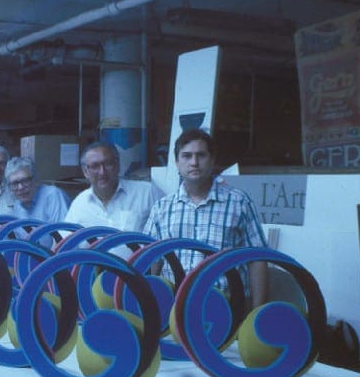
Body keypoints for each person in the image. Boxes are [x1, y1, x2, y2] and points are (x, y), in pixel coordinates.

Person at [143, 128, 269, 307]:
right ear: (177, 163)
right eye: (186, 156)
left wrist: (257, 312)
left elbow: (258, 258)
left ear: (212, 160)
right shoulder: (162, 208)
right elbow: (153, 260)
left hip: (227, 308)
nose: (194, 162)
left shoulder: (238, 202)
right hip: (173, 307)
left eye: (201, 155)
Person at [64, 141, 163, 232]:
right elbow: (63, 243)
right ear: (86, 172)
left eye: (108, 164)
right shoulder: (80, 203)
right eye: (95, 166)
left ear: (118, 165)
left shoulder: (147, 193)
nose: (102, 172)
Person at [5, 156, 71, 222]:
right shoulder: (16, 204)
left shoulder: (53, 195)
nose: (20, 187)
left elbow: (63, 231)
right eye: (15, 183)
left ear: (36, 180)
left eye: (25, 181)